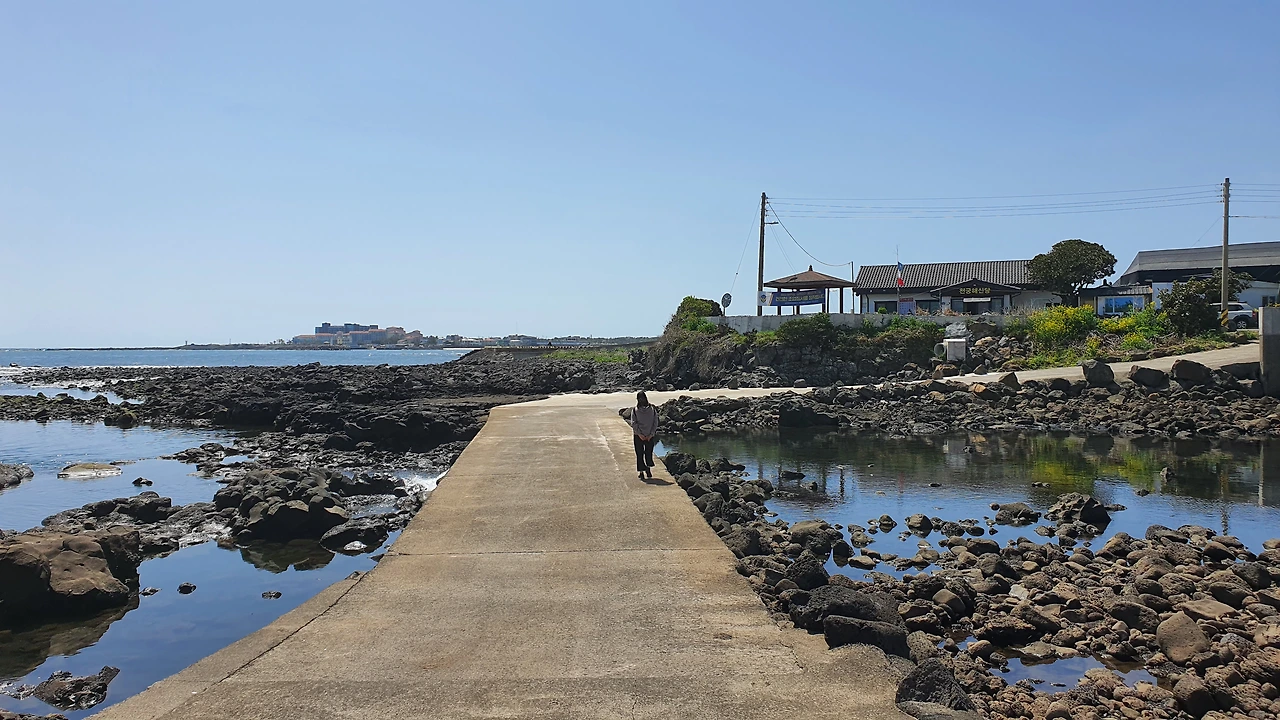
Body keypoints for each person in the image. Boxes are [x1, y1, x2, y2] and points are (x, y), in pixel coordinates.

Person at [629, 391, 659, 479]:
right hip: (647, 435)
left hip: (639, 435)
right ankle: (646, 469)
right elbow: (655, 422)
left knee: (640, 454)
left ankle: (642, 471)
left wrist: (640, 434)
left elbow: (633, 423)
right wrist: (651, 434)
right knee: (647, 453)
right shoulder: (652, 409)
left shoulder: (635, 410)